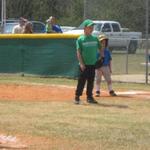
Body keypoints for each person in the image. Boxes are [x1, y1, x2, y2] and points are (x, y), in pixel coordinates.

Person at [74, 19, 103, 104]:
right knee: (81, 82)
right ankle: (77, 97)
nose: (92, 28)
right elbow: (78, 52)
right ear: (85, 28)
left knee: (90, 82)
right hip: (84, 65)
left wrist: (101, 57)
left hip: (92, 64)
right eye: (90, 27)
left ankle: (89, 97)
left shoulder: (95, 38)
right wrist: (82, 64)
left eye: (92, 27)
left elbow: (100, 48)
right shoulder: (80, 39)